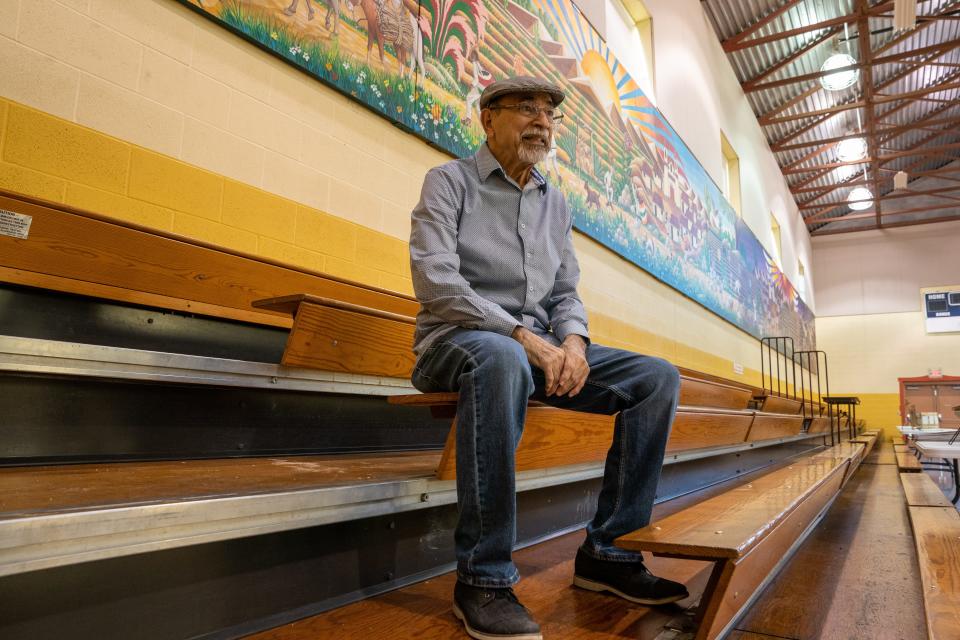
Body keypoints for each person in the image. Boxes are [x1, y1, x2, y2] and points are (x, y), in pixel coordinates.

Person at [409, 76, 687, 640]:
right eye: (526, 108)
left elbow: (565, 293)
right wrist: (522, 336)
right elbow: (435, 281)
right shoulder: (448, 182)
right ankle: (482, 579)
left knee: (656, 379)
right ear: (487, 119)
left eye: (549, 113)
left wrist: (575, 343)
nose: (542, 120)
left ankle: (608, 554)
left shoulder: (554, 202)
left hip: (534, 351)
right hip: (453, 342)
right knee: (504, 358)